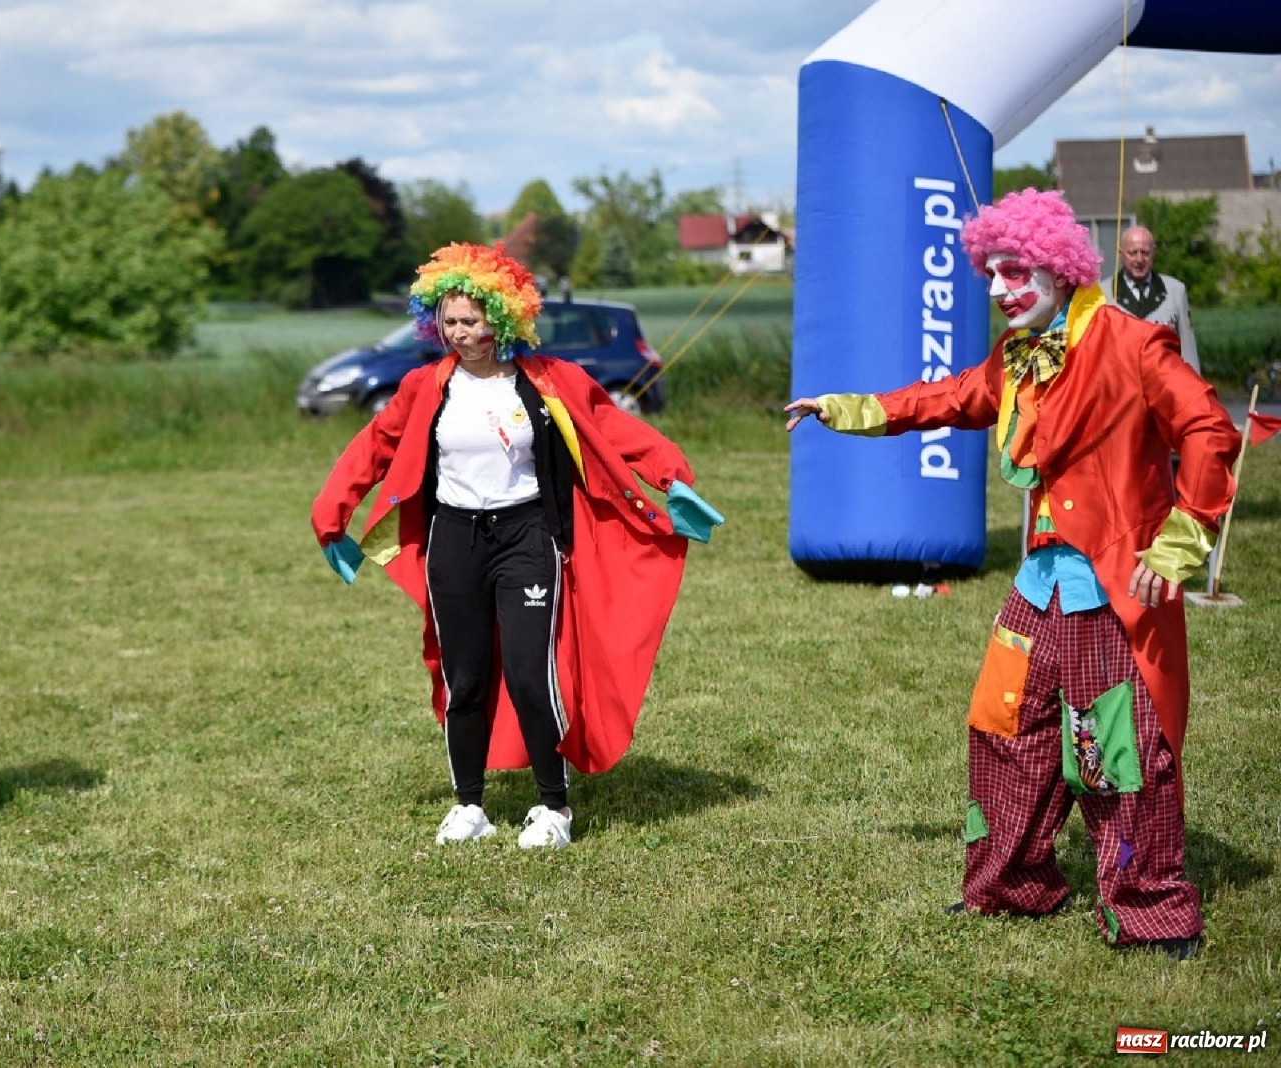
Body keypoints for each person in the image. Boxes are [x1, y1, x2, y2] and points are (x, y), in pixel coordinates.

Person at [785, 190, 1240, 958]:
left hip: (1110, 589)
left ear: (1061, 272)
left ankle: (1152, 910)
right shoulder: (1019, 355)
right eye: (991, 274)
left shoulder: (1133, 343)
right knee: (1005, 728)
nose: (998, 291)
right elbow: (950, 396)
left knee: (1114, 752)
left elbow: (1207, 428)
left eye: (1014, 272)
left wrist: (1179, 541)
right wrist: (848, 408)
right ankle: (1009, 885)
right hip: (1040, 584)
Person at [312, 242, 722, 849]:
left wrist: (673, 478)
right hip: (452, 539)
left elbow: (616, 429)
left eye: (470, 320)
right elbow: (373, 448)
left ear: (503, 317)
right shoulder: (425, 386)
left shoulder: (551, 380)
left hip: (528, 536)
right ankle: (468, 805)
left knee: (532, 673)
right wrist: (331, 516)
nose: (458, 333)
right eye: (448, 321)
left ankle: (553, 808)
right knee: (465, 676)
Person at [1111, 225, 1199, 374]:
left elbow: (1188, 349)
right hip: (1121, 388)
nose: (1139, 259)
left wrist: (1197, 391)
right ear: (1120, 253)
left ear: (1154, 253)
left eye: (1145, 253)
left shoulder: (1175, 290)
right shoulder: (1103, 294)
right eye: (1132, 253)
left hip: (1165, 384)